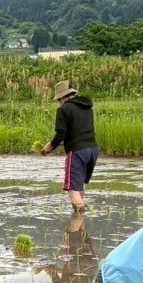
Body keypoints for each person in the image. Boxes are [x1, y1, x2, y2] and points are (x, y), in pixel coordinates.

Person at [40, 83, 99, 213]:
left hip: (77, 152)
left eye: (58, 100)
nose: (59, 103)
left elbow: (61, 133)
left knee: (72, 189)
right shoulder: (87, 108)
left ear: (62, 97)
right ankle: (82, 222)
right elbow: (77, 132)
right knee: (79, 185)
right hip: (93, 150)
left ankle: (79, 217)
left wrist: (51, 146)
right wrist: (58, 144)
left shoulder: (64, 109)